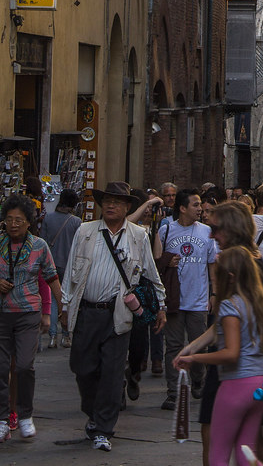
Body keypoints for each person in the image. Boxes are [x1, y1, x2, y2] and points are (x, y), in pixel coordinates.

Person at [185, 200, 263, 466]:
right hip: (254, 369)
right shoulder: (247, 258)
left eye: (216, 229)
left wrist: (194, 354)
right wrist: (194, 346)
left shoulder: (237, 262)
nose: (212, 235)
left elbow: (229, 321)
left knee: (225, 440)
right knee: (250, 443)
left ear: (231, 229)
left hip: (239, 370)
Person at [61, 180, 166, 452]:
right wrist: (64, 305)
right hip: (87, 311)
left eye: (117, 202)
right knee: (83, 369)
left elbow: (150, 273)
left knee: (111, 373)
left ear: (127, 207)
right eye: (107, 201)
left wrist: (161, 305)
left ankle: (103, 428)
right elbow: (72, 269)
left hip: (118, 314)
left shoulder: (138, 235)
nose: (110, 205)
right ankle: (94, 415)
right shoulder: (85, 231)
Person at [176, 246, 263, 466]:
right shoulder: (260, 303)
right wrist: (192, 348)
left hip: (236, 386)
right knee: (246, 451)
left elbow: (231, 354)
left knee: (218, 453)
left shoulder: (229, 306)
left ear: (229, 277)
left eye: (215, 274)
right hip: (260, 384)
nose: (213, 280)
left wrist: (194, 359)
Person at [0, 194, 61, 441]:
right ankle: (4, 418)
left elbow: (51, 277)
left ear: (28, 223)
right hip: (1, 315)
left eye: (19, 220)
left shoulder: (39, 246)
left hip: (27, 313)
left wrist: (61, 307)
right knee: (2, 368)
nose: (13, 224)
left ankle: (25, 415)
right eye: (9, 219)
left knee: (24, 365)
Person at [154, 187, 217, 409]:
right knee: (173, 346)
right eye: (196, 205)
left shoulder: (207, 233)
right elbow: (156, 261)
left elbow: (212, 265)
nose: (200, 209)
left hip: (198, 299)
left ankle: (198, 379)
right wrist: (166, 262)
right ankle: (173, 391)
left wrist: (214, 293)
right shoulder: (166, 231)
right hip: (173, 299)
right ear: (182, 208)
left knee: (198, 345)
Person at [125, 190, 164, 401]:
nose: (148, 211)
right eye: (145, 207)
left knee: (139, 340)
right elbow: (129, 222)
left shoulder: (148, 230)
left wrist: (155, 226)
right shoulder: (125, 227)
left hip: (142, 290)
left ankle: (134, 373)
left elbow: (157, 254)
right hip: (121, 288)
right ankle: (118, 383)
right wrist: (146, 205)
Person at [39, 187, 81, 349]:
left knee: (52, 300)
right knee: (66, 299)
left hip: (51, 264)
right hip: (69, 265)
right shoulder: (76, 222)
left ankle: (52, 337)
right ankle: (66, 336)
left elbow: (42, 240)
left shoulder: (48, 219)